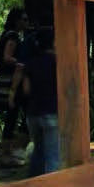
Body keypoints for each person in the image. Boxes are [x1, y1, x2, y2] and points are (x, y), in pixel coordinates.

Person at [0, 7, 30, 166]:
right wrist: (22, 62)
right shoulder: (12, 36)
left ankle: (8, 151)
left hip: (6, 80)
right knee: (13, 116)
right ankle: (7, 152)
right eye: (24, 19)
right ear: (17, 20)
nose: (27, 23)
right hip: (10, 82)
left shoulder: (7, 35)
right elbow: (6, 57)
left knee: (13, 116)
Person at [19, 25, 60, 176]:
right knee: (53, 157)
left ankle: (34, 186)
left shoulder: (31, 63)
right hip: (52, 112)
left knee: (38, 152)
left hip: (33, 113)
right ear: (54, 42)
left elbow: (26, 90)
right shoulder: (58, 63)